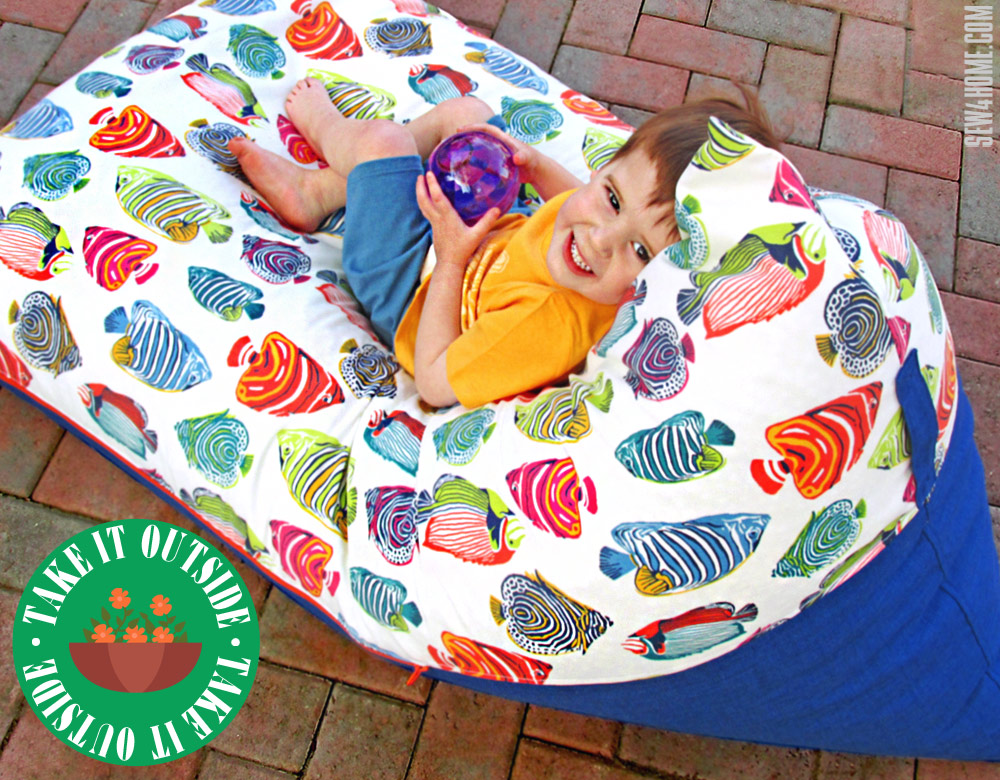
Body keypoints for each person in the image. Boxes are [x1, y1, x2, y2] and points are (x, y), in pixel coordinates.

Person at [229, 80, 780, 408]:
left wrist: (450, 258)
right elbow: (584, 200)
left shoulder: (543, 327)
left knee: (383, 142)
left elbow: (435, 382)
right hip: (478, 236)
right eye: (612, 198)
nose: (598, 240)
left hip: (407, 286)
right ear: (606, 170)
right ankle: (336, 189)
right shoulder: (594, 229)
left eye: (640, 252)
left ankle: (315, 176)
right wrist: (534, 166)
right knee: (466, 115)